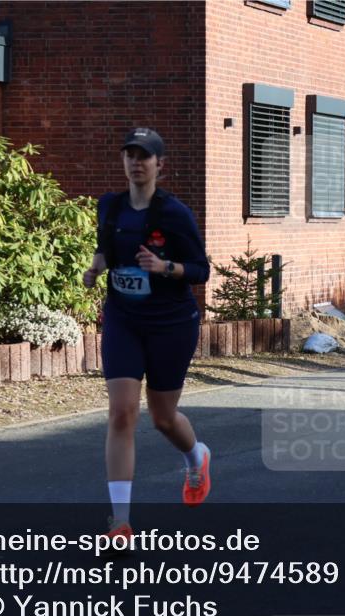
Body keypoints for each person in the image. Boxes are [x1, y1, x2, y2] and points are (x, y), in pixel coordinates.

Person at [83, 128, 212, 540]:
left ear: (160, 165)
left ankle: (196, 457)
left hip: (171, 323)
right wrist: (96, 268)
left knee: (162, 417)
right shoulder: (110, 207)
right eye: (130, 155)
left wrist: (165, 269)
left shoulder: (175, 214)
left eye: (145, 156)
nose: (136, 162)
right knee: (122, 411)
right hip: (124, 319)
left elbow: (200, 270)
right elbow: (106, 249)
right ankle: (120, 522)